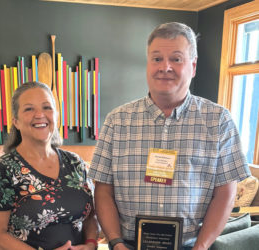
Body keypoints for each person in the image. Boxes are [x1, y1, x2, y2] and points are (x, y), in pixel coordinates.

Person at [88, 22, 250, 250]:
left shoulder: (219, 121)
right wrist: (115, 243)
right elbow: (103, 190)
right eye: (157, 59)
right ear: (147, 65)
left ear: (193, 67)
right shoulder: (117, 121)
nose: (165, 67)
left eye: (176, 59)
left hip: (192, 246)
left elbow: (225, 193)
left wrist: (201, 246)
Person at [0, 82, 98, 250]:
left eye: (47, 107)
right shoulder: (2, 170)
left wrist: (90, 245)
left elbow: (90, 217)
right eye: (29, 109)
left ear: (56, 116)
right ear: (16, 122)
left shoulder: (75, 163)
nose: (40, 114)